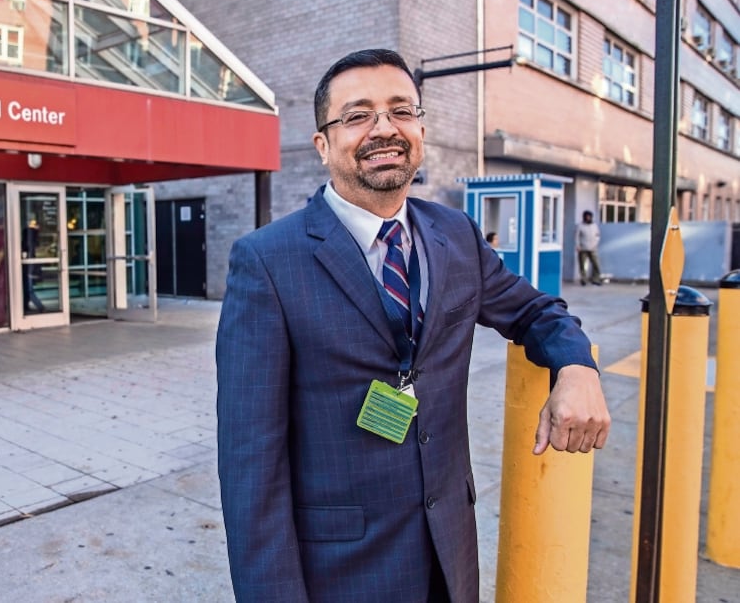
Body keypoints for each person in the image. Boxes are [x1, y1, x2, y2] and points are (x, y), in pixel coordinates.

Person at [216, 48, 611, 602]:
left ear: (421, 129)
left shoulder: (456, 236)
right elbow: (249, 467)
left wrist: (576, 365)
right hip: (342, 572)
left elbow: (534, 310)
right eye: (357, 116)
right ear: (323, 146)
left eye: (401, 111)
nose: (384, 128)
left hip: (448, 553)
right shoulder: (266, 261)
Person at [22, 219, 45, 314]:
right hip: (31, 268)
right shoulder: (34, 243)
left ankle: (40, 306)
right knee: (27, 289)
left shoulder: (27, 244)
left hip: (28, 269)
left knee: (28, 289)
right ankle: (25, 306)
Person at [576, 210, 603, 286]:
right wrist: (578, 245)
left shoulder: (594, 226)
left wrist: (596, 244)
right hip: (583, 248)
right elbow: (577, 237)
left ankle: (595, 279)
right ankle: (583, 279)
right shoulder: (580, 226)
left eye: (589, 216)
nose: (588, 218)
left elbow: (598, 236)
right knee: (582, 265)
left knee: (596, 264)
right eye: (586, 216)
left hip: (593, 248)